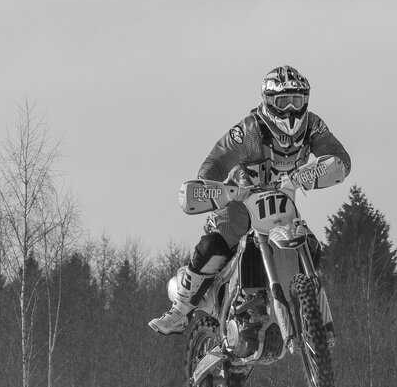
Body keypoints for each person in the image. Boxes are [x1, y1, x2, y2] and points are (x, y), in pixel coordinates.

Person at [149, 65, 352, 335]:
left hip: (280, 204)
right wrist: (214, 189)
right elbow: (216, 162)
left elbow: (339, 157)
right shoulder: (250, 131)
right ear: (269, 102)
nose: (291, 109)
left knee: (312, 248)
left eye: (297, 100)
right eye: (283, 101)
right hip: (239, 200)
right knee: (217, 243)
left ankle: (305, 313)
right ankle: (180, 310)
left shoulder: (312, 126)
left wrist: (314, 173)